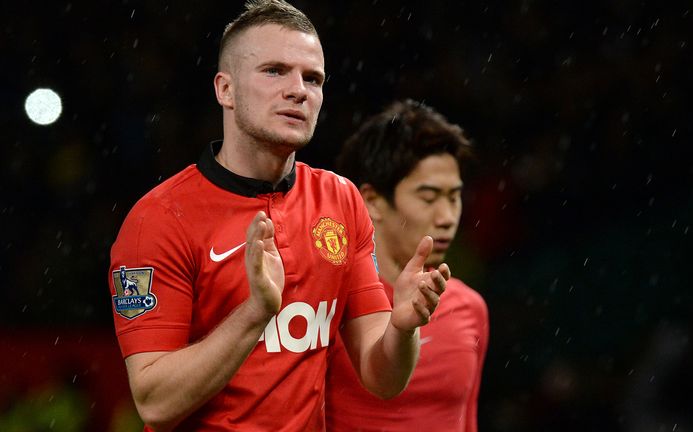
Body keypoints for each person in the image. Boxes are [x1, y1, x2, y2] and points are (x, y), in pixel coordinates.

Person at [107, 1, 449, 431]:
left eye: (313, 78)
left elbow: (382, 379)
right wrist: (256, 312)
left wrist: (402, 329)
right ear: (225, 90)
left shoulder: (340, 200)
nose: (298, 90)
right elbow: (154, 402)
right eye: (274, 71)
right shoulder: (158, 219)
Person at [326, 100, 489, 431]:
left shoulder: (470, 309)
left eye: (454, 197)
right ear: (372, 201)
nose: (446, 217)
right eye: (428, 198)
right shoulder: (326, 306)